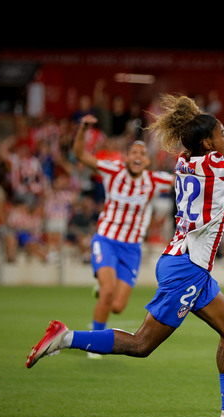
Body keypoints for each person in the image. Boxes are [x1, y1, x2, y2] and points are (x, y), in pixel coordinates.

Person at [26, 94, 224, 417]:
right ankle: (65, 337)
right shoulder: (218, 167)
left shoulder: (184, 161)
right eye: (223, 134)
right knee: (141, 344)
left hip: (187, 264)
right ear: (208, 143)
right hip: (187, 268)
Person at [70, 115, 175, 354]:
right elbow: (80, 155)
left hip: (131, 248)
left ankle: (101, 291)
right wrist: (82, 129)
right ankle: (93, 346)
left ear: (147, 161)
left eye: (142, 154)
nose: (138, 156)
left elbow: (183, 180)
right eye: (133, 153)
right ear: (126, 157)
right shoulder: (113, 170)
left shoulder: (154, 180)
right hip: (106, 239)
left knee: (117, 306)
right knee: (108, 292)